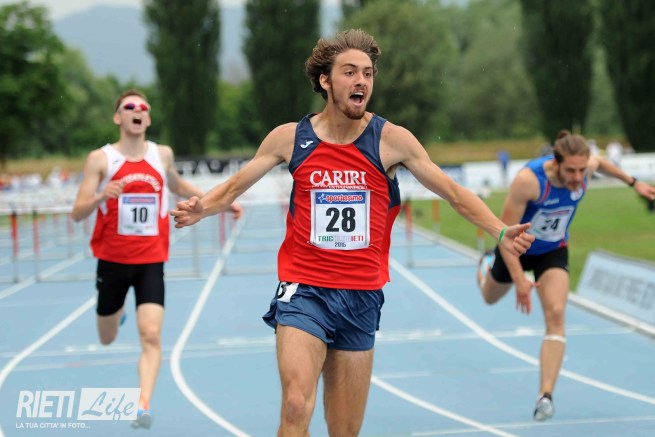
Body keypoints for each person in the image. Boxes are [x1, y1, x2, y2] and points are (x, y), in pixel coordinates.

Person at [171, 29, 534, 436]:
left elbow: (452, 192)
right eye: (349, 72)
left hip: (361, 296)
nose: (361, 81)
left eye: (368, 73)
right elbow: (234, 186)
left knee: (344, 430)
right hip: (304, 289)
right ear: (325, 81)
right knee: (295, 405)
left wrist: (500, 231)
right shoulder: (290, 138)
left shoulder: (392, 141)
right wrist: (202, 208)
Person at [71, 89, 242, 429]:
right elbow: (77, 212)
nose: (137, 110)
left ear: (147, 118)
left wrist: (218, 203)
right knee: (106, 336)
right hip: (112, 260)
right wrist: (102, 195)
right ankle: (117, 312)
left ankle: (142, 405)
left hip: (151, 259)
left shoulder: (161, 155)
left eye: (143, 107)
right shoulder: (101, 159)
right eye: (129, 106)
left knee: (150, 334)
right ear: (118, 117)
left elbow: (177, 185)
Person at [477, 129, 655, 422]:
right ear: (555, 162)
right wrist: (520, 280)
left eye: (582, 170)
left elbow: (602, 163)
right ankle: (485, 265)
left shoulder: (586, 167)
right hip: (517, 248)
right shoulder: (529, 181)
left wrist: (633, 183)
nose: (578, 177)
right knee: (489, 297)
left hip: (553, 249)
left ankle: (545, 396)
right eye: (571, 171)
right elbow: (504, 235)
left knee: (557, 313)